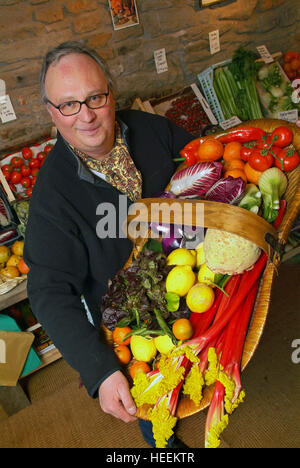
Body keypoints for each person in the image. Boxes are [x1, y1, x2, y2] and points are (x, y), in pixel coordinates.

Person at [24, 41, 194, 448]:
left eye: (95, 97)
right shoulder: (52, 196)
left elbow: (201, 164)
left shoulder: (152, 129)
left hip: (197, 279)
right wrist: (99, 370)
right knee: (157, 415)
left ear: (110, 93)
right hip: (135, 322)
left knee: (212, 377)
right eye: (68, 105)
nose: (86, 115)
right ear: (51, 112)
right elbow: (48, 291)